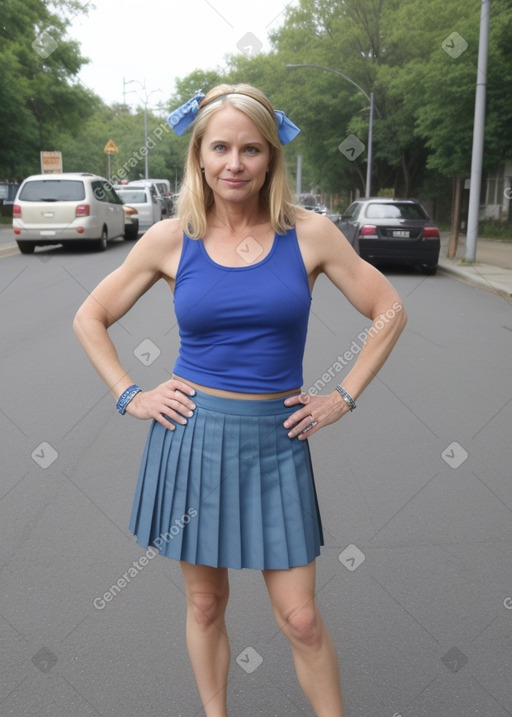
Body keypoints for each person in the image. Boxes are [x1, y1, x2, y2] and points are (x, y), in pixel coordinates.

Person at [73, 83, 407, 717]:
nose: (235, 163)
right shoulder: (171, 239)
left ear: (270, 158)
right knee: (205, 604)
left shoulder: (309, 234)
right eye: (221, 147)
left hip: (275, 445)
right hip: (193, 437)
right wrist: (130, 396)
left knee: (302, 618)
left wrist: (343, 395)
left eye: (251, 149)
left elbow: (388, 309)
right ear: (199, 155)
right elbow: (90, 316)